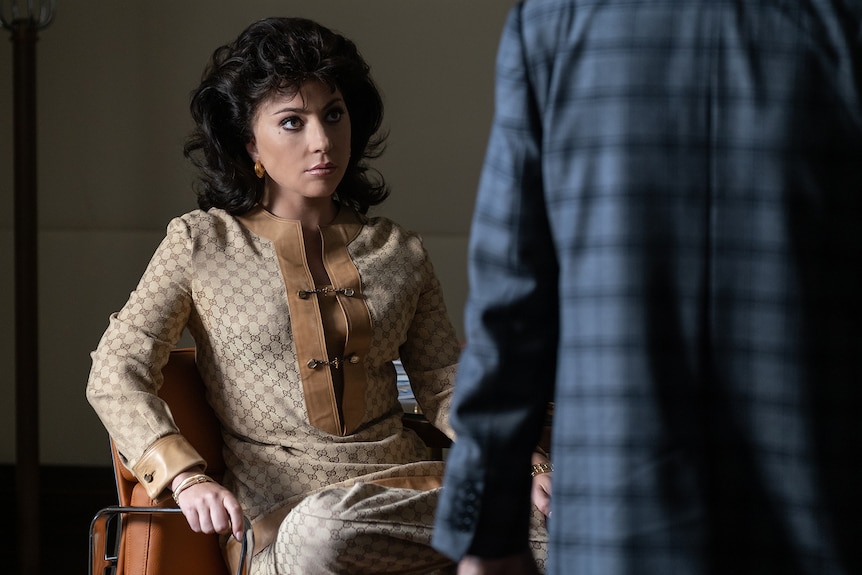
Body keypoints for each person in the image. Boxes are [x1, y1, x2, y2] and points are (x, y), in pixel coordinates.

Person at [86, 16, 548, 575]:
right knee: (324, 528)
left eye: (333, 114)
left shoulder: (400, 250)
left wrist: (525, 464)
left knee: (582, 511)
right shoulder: (200, 243)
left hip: (417, 492)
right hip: (291, 524)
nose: (322, 141)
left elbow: (443, 383)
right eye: (292, 122)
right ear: (248, 142)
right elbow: (114, 370)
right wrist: (184, 477)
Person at [432, 0, 862, 573]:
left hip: (615, 520)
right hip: (824, 501)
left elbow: (510, 299)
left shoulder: (553, 19)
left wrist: (485, 527)